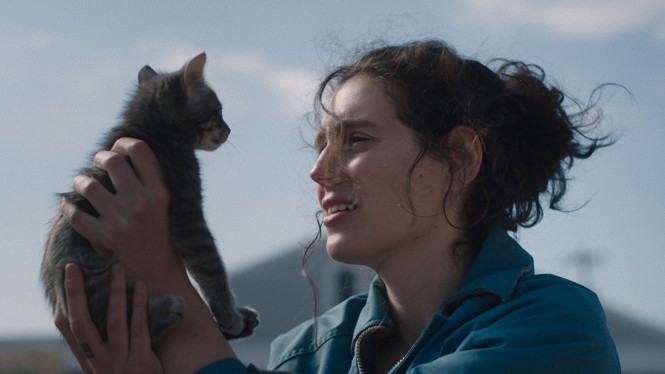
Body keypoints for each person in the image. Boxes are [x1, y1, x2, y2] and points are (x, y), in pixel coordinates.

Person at [56, 40, 621, 373]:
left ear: (459, 157)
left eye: (356, 140)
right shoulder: (304, 353)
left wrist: (161, 276)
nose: (318, 171)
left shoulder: (556, 329)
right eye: (320, 143)